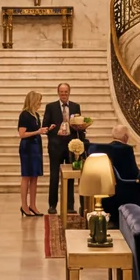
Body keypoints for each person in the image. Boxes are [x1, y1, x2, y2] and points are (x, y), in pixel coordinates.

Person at [43, 82, 81, 213]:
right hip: (55, 147)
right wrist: (52, 130)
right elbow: (45, 127)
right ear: (58, 92)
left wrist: (80, 141)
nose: (64, 94)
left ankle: (70, 206)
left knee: (70, 176)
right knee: (54, 176)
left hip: (71, 147)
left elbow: (79, 126)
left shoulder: (76, 107)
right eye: (61, 92)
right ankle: (52, 205)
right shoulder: (51, 107)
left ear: (69, 92)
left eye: (66, 92)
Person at [18, 91, 44, 218]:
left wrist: (43, 130)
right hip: (27, 148)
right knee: (26, 176)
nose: (40, 103)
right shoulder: (25, 115)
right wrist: (37, 131)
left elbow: (36, 130)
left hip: (36, 147)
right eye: (38, 101)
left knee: (35, 177)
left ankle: (33, 204)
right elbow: (22, 134)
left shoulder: (36, 115)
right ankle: (24, 205)